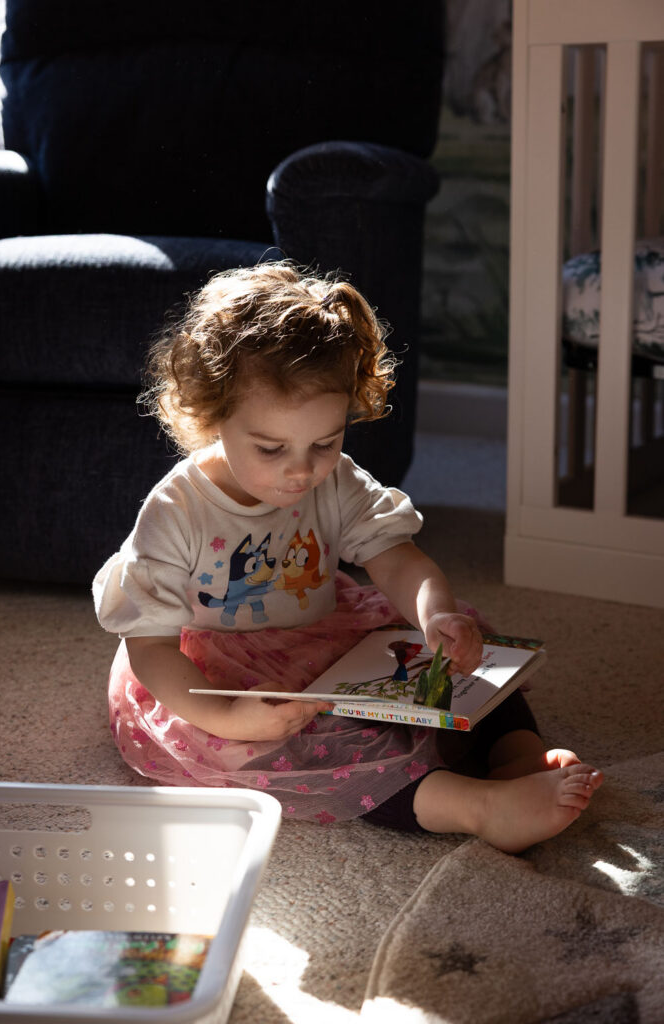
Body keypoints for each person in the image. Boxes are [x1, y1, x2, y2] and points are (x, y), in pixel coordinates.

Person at [93, 261, 602, 853]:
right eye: (270, 447)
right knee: (317, 748)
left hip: (328, 635)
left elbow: (395, 559)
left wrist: (433, 613)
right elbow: (150, 647)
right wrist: (230, 716)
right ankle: (477, 807)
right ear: (213, 417)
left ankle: (516, 755)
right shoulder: (176, 510)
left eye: (326, 442)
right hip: (220, 676)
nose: (301, 470)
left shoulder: (334, 482)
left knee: (466, 657)